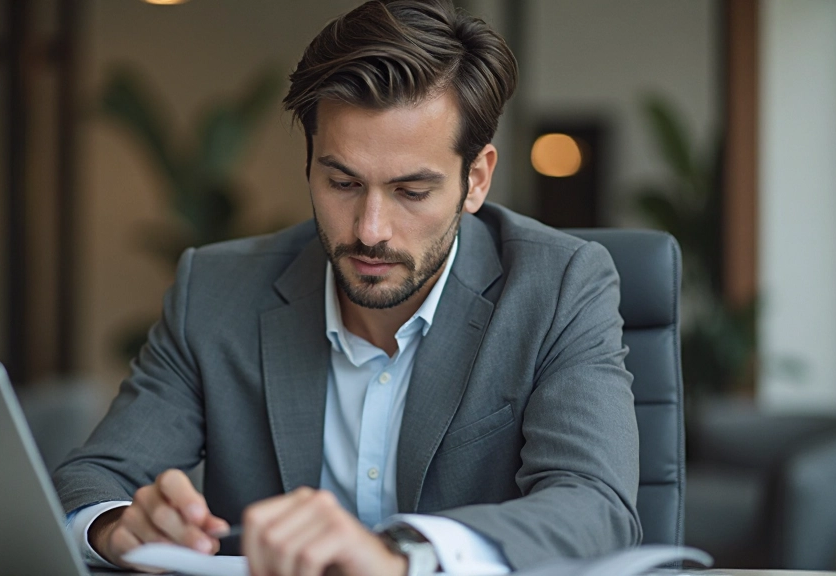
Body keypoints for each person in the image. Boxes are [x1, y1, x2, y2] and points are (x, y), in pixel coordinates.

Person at [53, 1, 641, 574]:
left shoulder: (560, 286)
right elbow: (93, 478)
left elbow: (595, 506)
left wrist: (406, 555)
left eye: (412, 192)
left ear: (475, 180)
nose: (370, 231)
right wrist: (118, 526)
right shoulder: (215, 290)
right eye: (342, 182)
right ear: (309, 164)